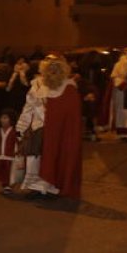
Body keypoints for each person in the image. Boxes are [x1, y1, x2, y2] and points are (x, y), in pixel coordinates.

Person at [15, 55, 83, 199]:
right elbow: (29, 107)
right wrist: (21, 127)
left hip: (58, 133)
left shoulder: (68, 87)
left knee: (54, 157)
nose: (53, 71)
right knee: (35, 158)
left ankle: (49, 187)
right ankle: (36, 187)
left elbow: (71, 116)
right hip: (37, 128)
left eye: (56, 68)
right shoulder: (37, 85)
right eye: (50, 68)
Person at [0, 108, 19, 195]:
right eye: (2, 118)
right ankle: (5, 184)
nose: (3, 120)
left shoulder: (15, 130)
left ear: (11, 119)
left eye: (5, 118)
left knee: (9, 171)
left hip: (10, 155)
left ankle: (7, 186)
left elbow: (19, 141)